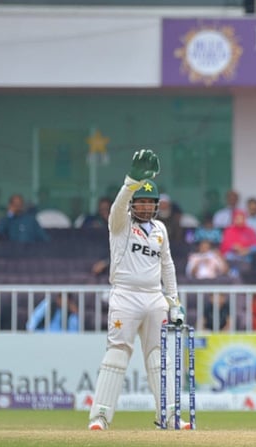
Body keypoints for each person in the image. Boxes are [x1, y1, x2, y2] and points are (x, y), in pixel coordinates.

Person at [87, 148, 188, 431]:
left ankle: (168, 416)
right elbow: (118, 206)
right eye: (140, 202)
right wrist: (130, 181)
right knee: (117, 352)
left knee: (158, 357)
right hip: (125, 295)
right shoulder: (119, 224)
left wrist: (174, 301)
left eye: (149, 202)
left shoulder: (160, 230)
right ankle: (100, 416)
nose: (144, 207)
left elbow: (167, 267)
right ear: (133, 204)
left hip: (154, 298)